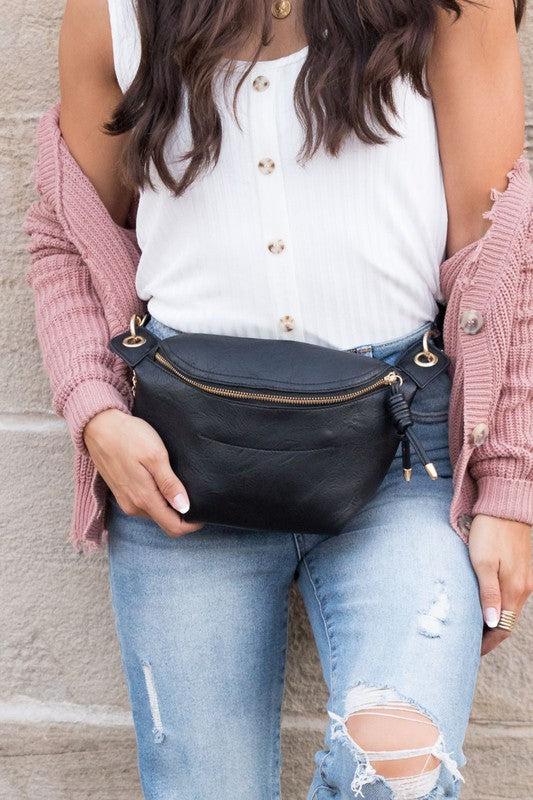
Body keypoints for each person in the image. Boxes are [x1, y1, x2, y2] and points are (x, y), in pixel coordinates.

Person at [22, 0, 532, 798]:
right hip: (181, 470)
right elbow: (67, 234)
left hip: (402, 461)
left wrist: (510, 484)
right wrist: (95, 414)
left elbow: (505, 248)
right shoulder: (113, 11)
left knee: (401, 775)